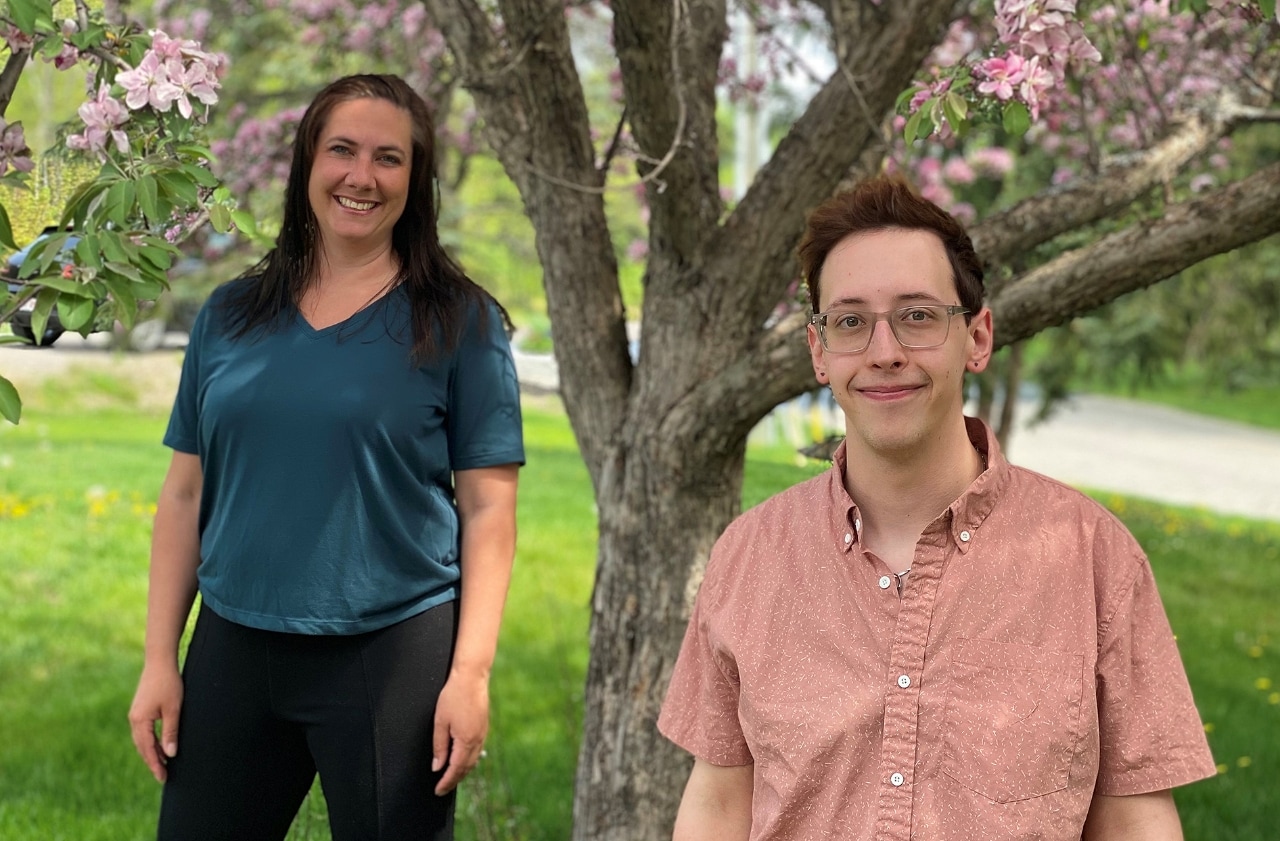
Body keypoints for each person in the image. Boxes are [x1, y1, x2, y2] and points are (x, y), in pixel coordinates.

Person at [658, 177, 1215, 841]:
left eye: (918, 315)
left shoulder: (1095, 556)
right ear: (820, 352)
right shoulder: (748, 556)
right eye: (851, 321)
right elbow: (719, 800)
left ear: (977, 337)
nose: (884, 351)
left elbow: (1135, 818)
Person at [127, 74, 524, 841]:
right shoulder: (230, 315)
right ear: (308, 162)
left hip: (391, 653)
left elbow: (488, 510)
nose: (361, 177)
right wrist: (159, 659)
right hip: (232, 645)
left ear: (417, 177)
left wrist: (470, 674)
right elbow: (183, 496)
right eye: (341, 150)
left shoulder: (459, 322)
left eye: (388, 158)